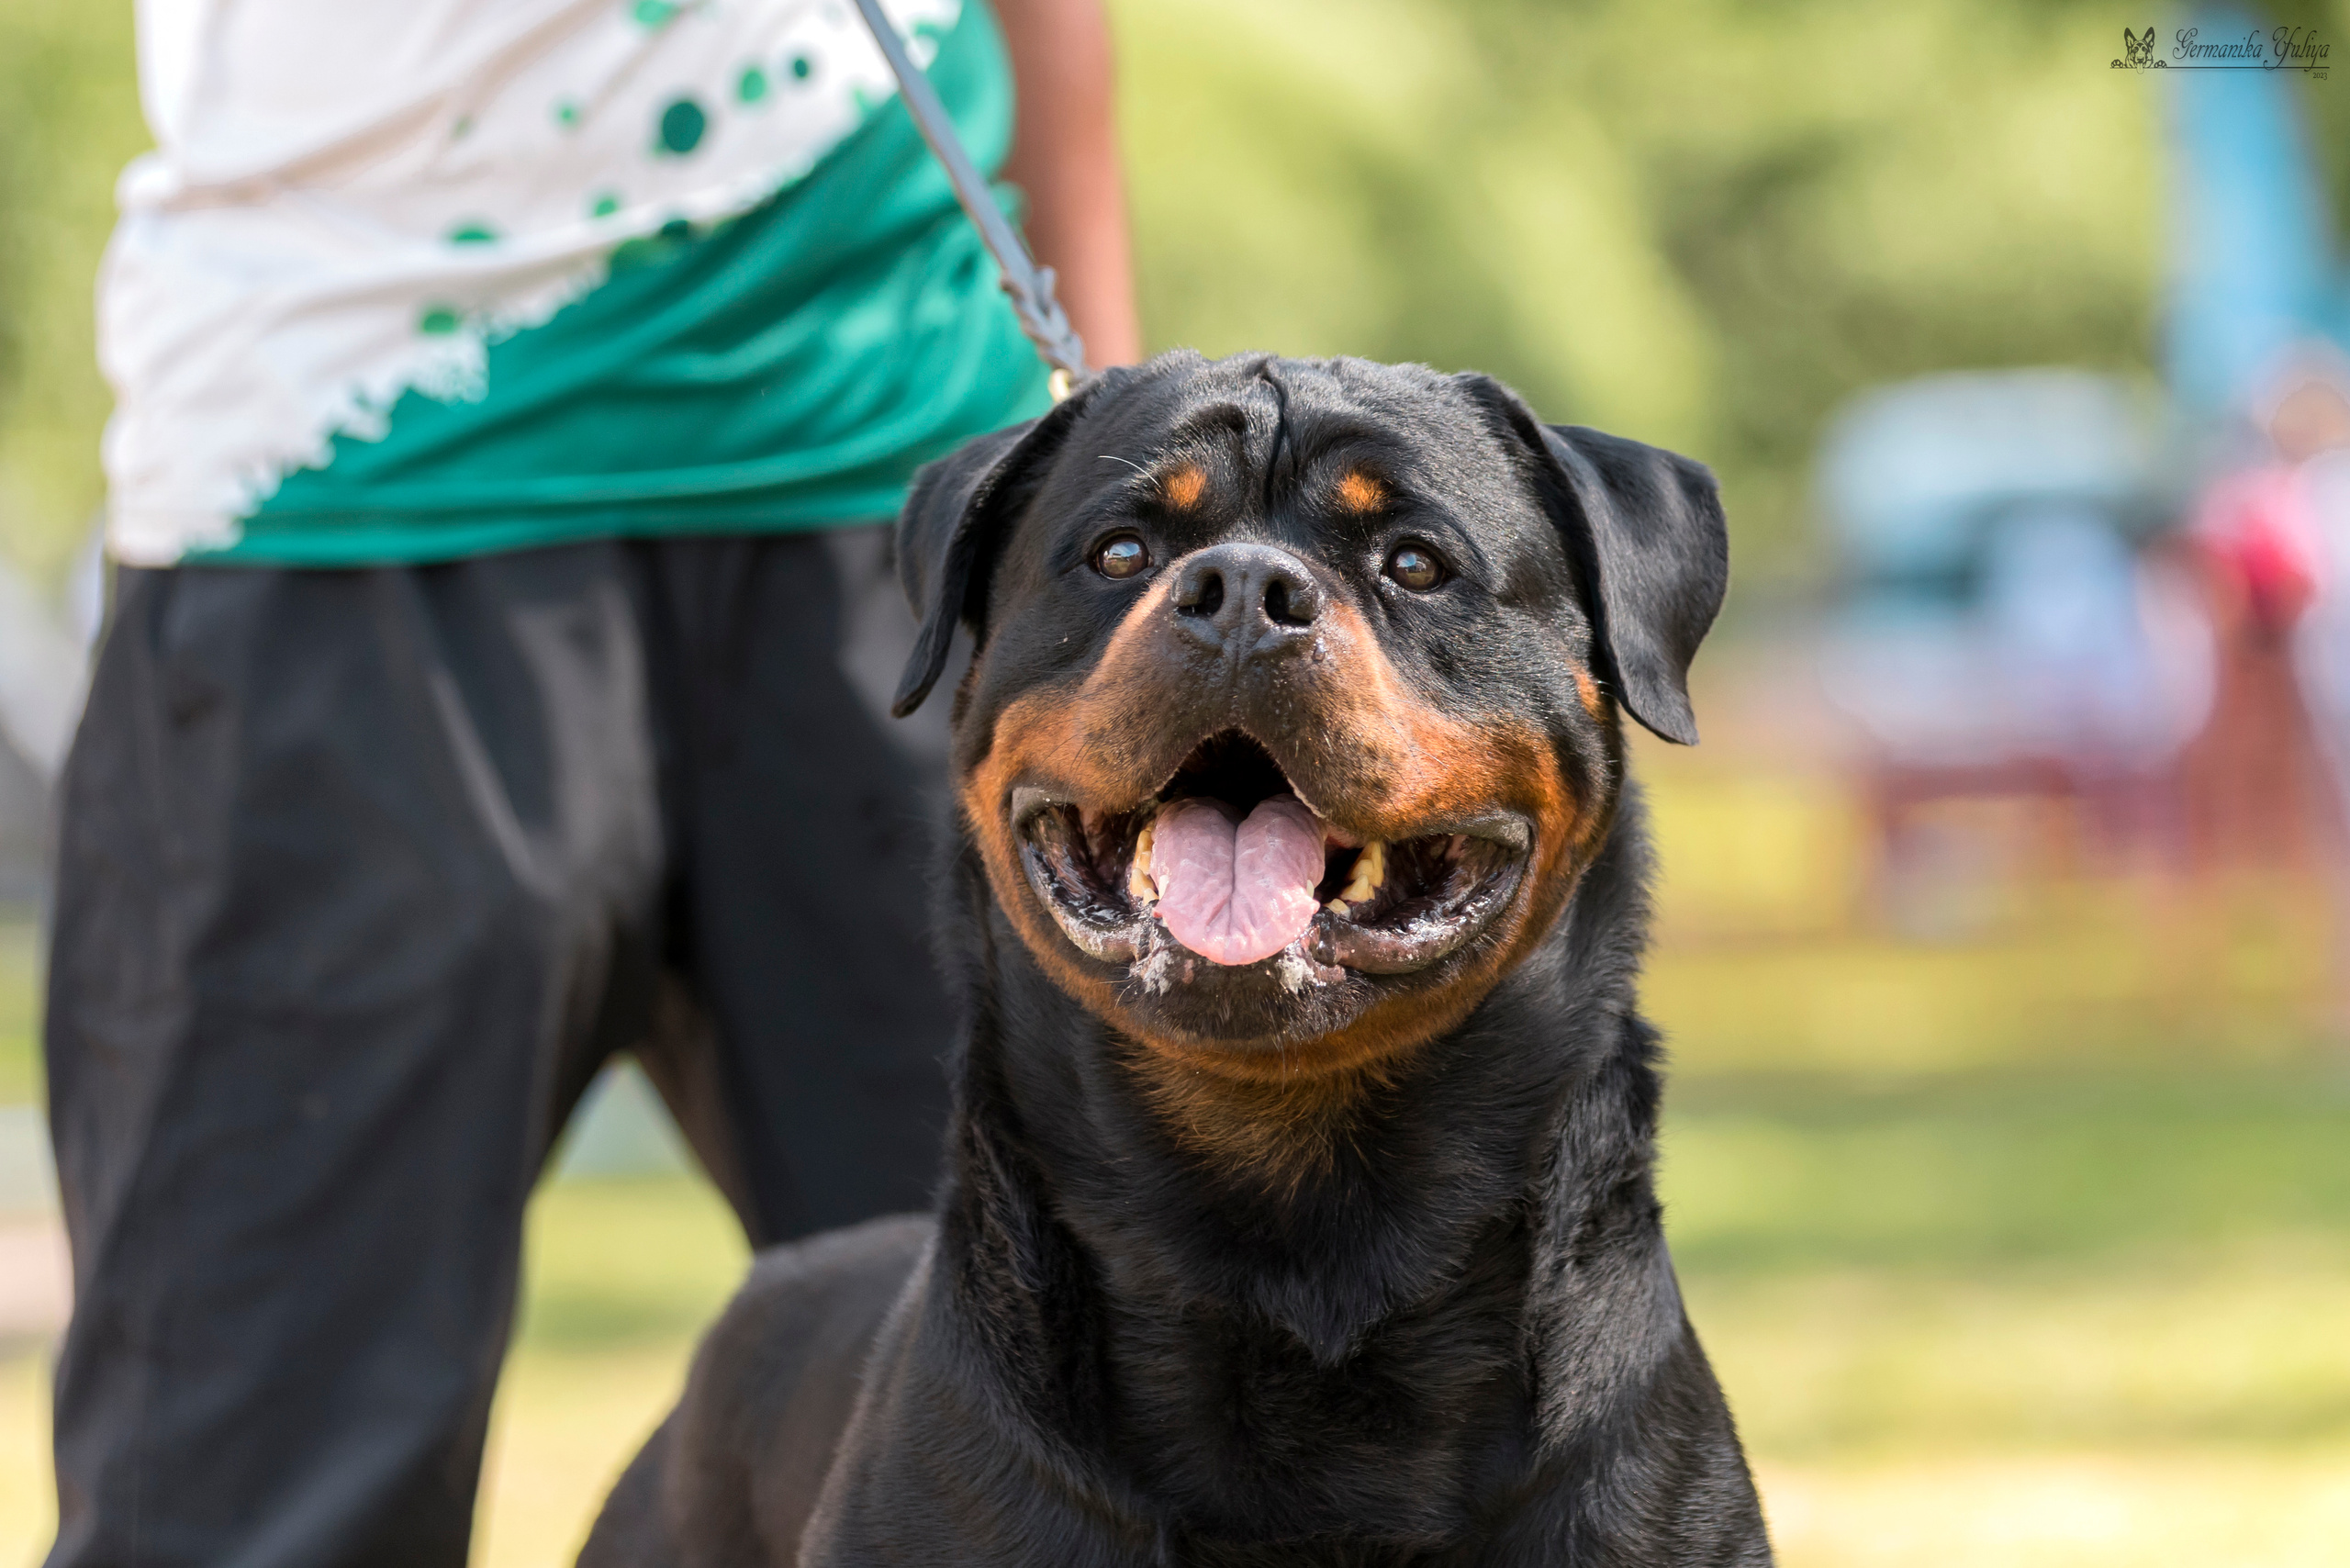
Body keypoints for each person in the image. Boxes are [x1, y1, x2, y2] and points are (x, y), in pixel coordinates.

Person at [42, 1, 1136, 1562]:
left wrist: (1098, 448)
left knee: (1107, 1463)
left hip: (909, 495)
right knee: (248, 1511)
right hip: (346, 478)